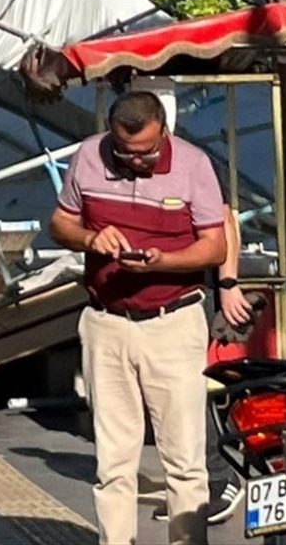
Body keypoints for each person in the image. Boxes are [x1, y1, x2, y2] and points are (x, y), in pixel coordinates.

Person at [50, 90, 227, 545]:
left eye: (147, 151)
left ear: (164, 129)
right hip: (106, 322)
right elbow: (59, 224)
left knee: (184, 458)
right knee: (113, 459)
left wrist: (162, 261)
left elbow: (215, 245)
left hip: (174, 320)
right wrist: (90, 238)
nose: (137, 161)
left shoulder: (193, 164)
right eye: (126, 152)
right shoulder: (88, 157)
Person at [153, 203, 252, 526]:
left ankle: (220, 478)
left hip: (196, 293)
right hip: (159, 298)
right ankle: (189, 486)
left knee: (192, 391)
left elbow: (225, 220)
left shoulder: (189, 166)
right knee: (169, 395)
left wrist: (228, 285)